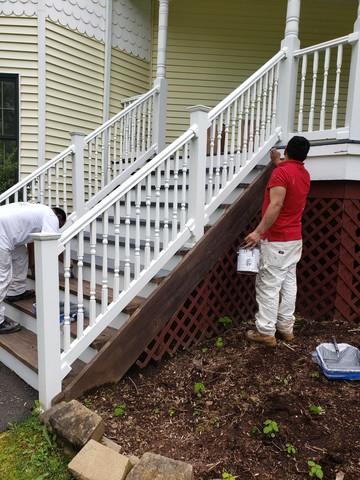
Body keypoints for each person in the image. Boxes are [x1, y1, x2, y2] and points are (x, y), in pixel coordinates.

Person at [244, 136, 311, 347]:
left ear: (287, 151)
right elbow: (289, 172)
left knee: (269, 285)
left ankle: (265, 332)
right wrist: (277, 162)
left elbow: (276, 205)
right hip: (294, 239)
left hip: (277, 239)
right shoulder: (303, 173)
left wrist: (258, 232)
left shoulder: (281, 173)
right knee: (289, 282)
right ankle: (286, 328)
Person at [0, 202, 66, 334]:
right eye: (60, 226)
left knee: (20, 255)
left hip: (6, 231)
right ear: (59, 218)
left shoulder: (37, 212)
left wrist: (33, 266)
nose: (58, 228)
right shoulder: (51, 216)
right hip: (2, 235)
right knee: (3, 277)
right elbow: (51, 245)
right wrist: (67, 263)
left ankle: (15, 291)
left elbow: (31, 242)